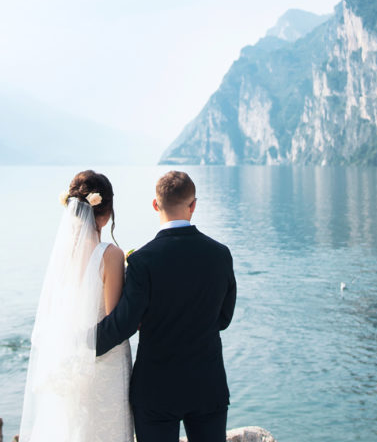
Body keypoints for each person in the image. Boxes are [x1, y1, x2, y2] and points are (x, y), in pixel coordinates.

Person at [96, 170, 237, 442]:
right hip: (207, 384)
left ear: (155, 204)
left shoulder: (142, 261)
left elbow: (123, 325)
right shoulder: (220, 255)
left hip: (155, 389)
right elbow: (224, 318)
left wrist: (82, 344)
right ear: (193, 204)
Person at [18, 170, 133, 442]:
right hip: (104, 363)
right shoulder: (110, 255)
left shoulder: (62, 258)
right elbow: (113, 318)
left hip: (69, 360)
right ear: (106, 212)